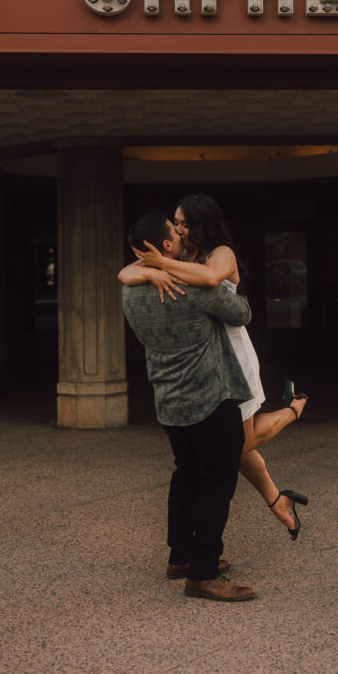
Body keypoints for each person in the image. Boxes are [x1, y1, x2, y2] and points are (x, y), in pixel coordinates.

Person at [120, 193, 309, 540]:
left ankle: (293, 410)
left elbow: (208, 280)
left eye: (183, 223)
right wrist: (150, 273)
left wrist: (159, 266)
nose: (178, 229)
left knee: (240, 442)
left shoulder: (221, 253)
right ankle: (278, 500)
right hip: (205, 352)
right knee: (235, 444)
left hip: (232, 351)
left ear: (201, 223)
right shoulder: (182, 254)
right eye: (175, 224)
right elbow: (125, 271)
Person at [121, 209, 257, 602]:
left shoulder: (130, 287)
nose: (182, 234)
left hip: (168, 400)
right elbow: (242, 313)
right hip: (211, 397)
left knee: (186, 474)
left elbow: (127, 271)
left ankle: (180, 555)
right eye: (176, 232)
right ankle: (203, 572)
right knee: (217, 482)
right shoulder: (194, 287)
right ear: (165, 246)